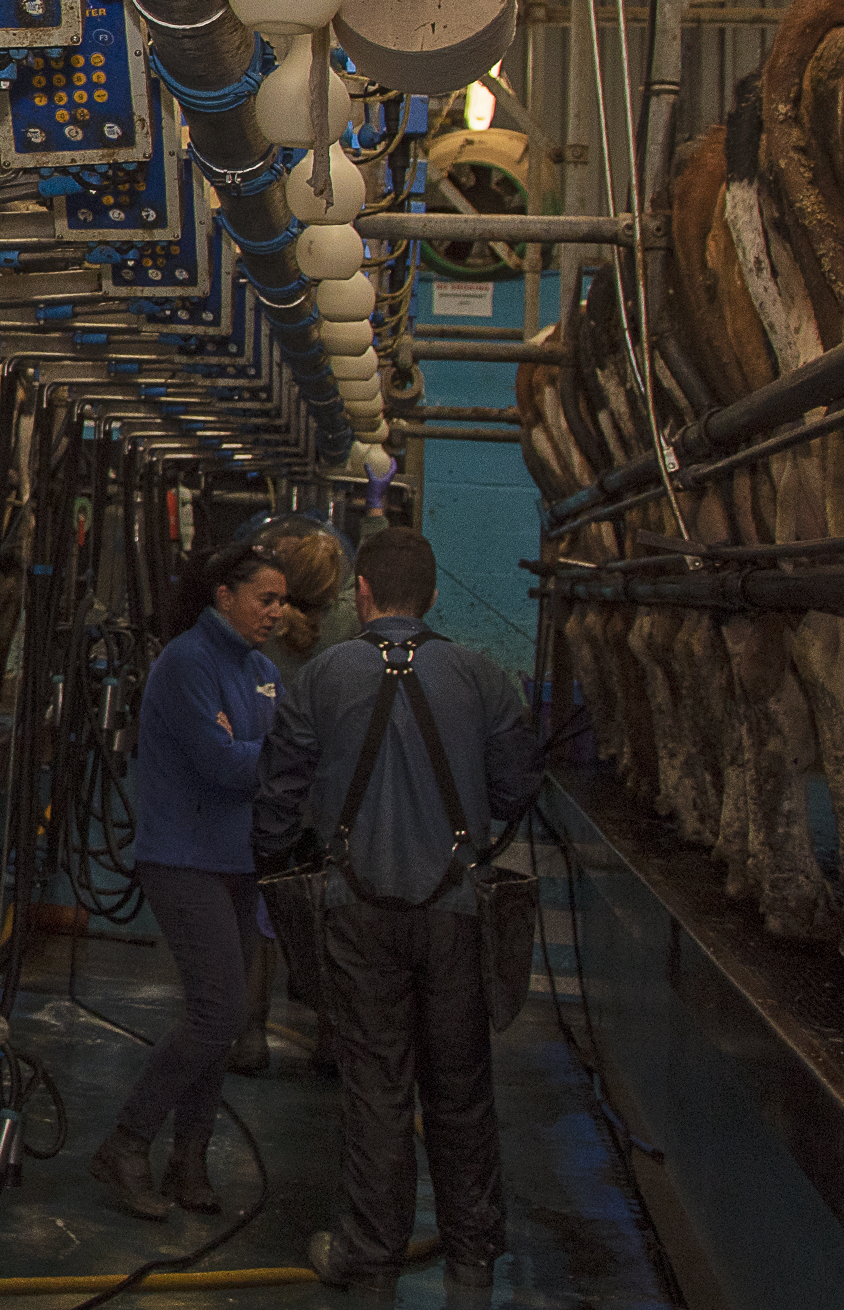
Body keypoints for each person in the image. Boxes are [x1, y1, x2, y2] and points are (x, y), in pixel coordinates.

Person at [254, 525, 542, 1302]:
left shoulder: (320, 679)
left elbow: (279, 801)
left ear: (365, 595)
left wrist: (278, 862)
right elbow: (519, 786)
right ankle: (472, 1266)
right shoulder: (484, 679)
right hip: (456, 914)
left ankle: (369, 1258)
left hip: (355, 915)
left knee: (375, 1092)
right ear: (435, 597)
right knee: (461, 1091)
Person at [89, 539, 291, 1223]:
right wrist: (269, 756)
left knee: (220, 1015)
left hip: (237, 860)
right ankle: (127, 1141)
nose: (278, 612)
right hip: (182, 858)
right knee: (220, 1011)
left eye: (283, 600)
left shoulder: (262, 671)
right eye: (266, 598)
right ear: (223, 596)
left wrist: (258, 753)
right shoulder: (185, 663)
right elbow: (221, 764)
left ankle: (188, 1158)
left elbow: (260, 759)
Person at [228, 520, 353, 1075]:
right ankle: (331, 1040)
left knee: (260, 924)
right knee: (329, 926)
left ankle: (251, 1039)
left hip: (270, 799)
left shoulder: (263, 639)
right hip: (331, 807)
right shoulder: (353, 636)